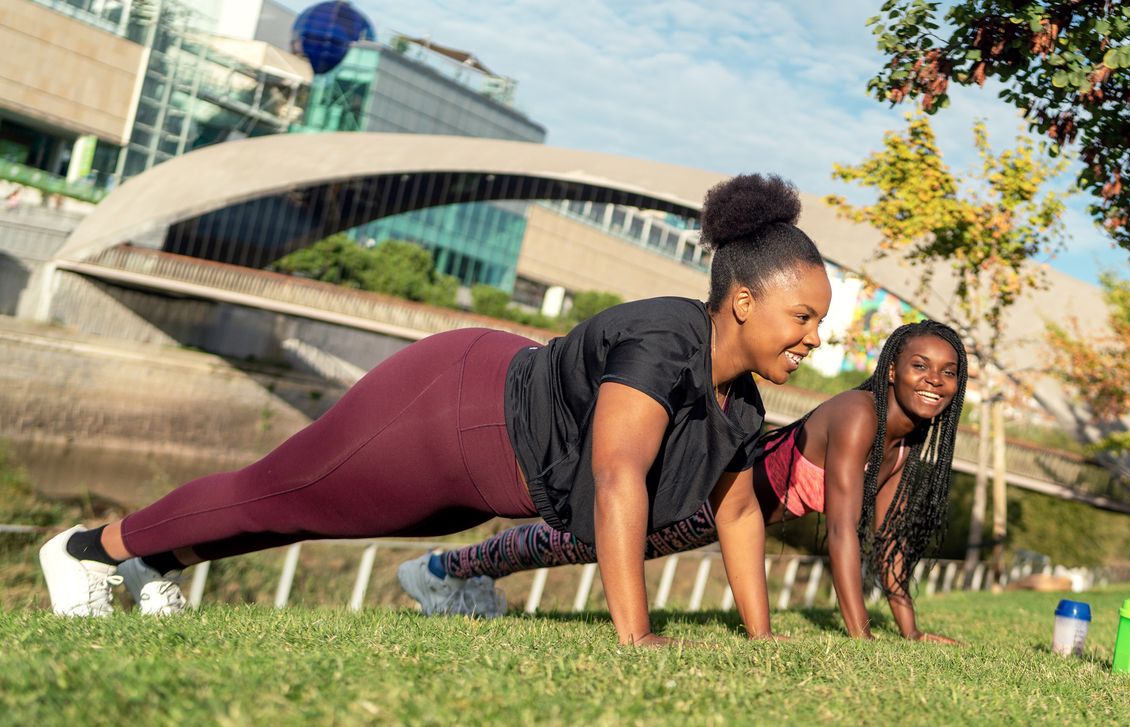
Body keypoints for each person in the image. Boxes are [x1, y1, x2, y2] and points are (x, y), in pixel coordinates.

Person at [38, 173, 833, 646]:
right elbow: (619, 473)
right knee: (279, 488)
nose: (813, 338)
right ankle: (87, 550)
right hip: (453, 410)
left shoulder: (741, 405)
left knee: (304, 512)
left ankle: (152, 564)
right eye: (801, 316)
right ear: (739, 300)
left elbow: (736, 512)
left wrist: (761, 640)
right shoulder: (666, 335)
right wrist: (637, 636)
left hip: (480, 469)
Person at [400, 321, 967, 643]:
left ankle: (452, 573)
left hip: (717, 518)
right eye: (921, 366)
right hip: (705, 495)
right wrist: (861, 637)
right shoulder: (858, 417)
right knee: (574, 538)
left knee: (575, 544)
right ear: (892, 367)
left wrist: (911, 631)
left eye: (948, 373)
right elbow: (843, 532)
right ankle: (440, 570)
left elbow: (886, 543)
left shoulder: (904, 447)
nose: (934, 382)